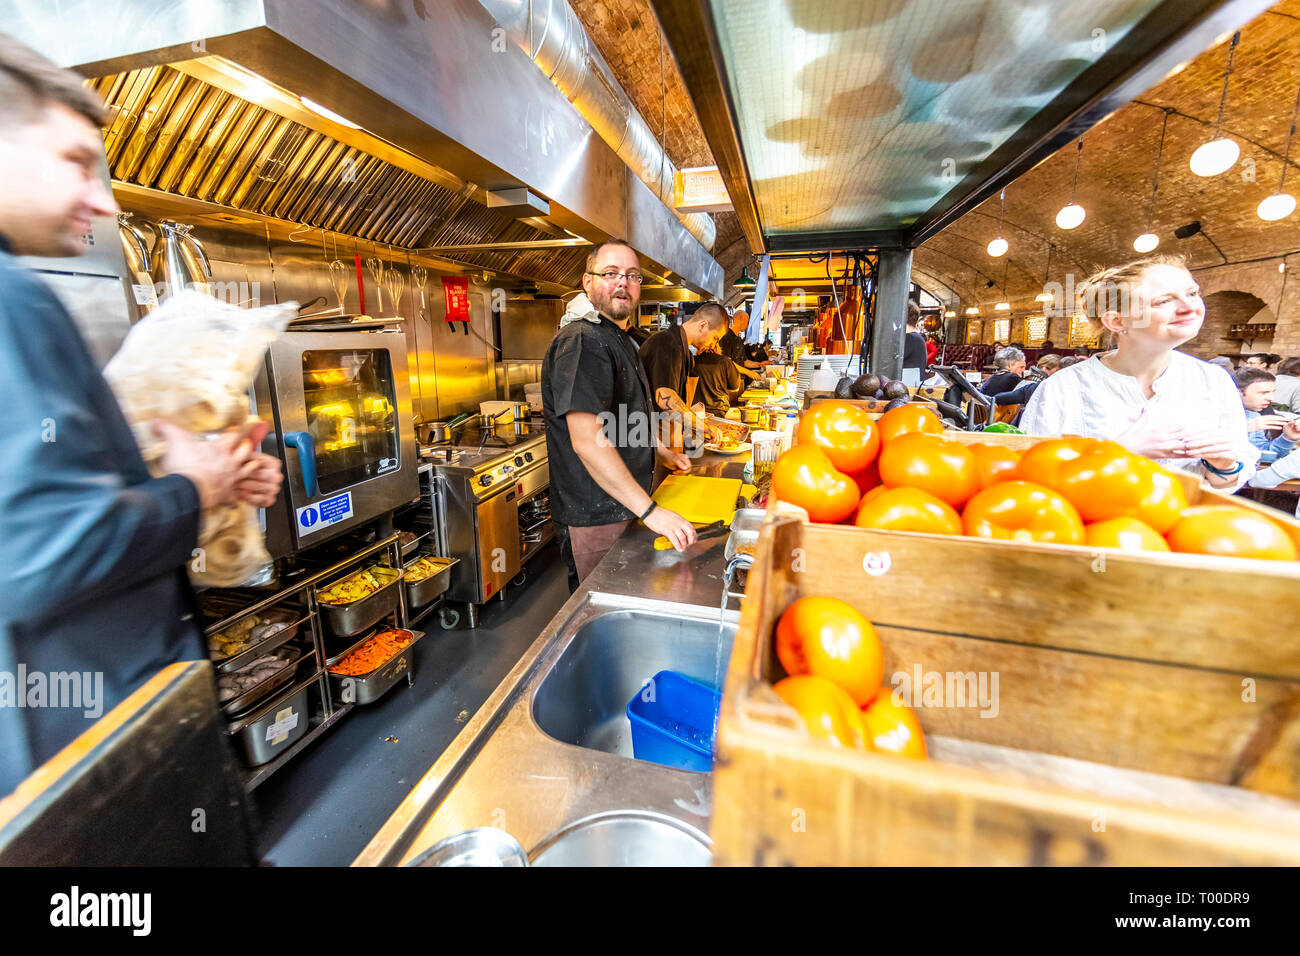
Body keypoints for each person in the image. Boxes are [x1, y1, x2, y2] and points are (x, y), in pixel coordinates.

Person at [0, 34, 282, 794]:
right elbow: (37, 554)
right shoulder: (13, 299)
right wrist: (192, 491)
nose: (102, 201)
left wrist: (206, 476)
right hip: (95, 750)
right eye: (73, 163)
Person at [1020, 254, 1257, 490]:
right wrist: (1120, 452)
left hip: (1185, 524)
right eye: (1164, 301)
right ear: (1117, 321)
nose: (1190, 308)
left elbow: (1226, 481)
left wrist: (1224, 465)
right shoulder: (1064, 387)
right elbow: (1031, 478)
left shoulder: (1214, 381)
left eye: (1192, 293)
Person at [541, 239, 697, 592]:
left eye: (631, 275)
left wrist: (661, 452)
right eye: (610, 273)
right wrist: (651, 511)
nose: (622, 282)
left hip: (623, 504)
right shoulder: (582, 341)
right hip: (596, 515)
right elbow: (587, 441)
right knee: (606, 613)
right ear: (587, 281)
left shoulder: (616, 337)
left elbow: (626, 417)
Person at [639, 301, 728, 415]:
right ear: (702, 325)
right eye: (715, 338)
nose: (714, 345)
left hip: (667, 427)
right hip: (646, 428)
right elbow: (665, 398)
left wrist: (694, 414)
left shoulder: (686, 354)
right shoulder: (667, 344)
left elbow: (679, 400)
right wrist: (702, 426)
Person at [1234, 367, 1300, 463]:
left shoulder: (1253, 415)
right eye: (1264, 393)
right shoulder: (1212, 413)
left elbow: (1263, 455)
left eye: (1273, 392)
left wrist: (1288, 438)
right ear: (1238, 392)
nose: (1271, 398)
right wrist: (1243, 429)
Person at [692, 341, 743, 417]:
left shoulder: (692, 361)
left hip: (696, 411)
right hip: (719, 410)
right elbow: (735, 388)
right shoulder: (725, 362)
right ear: (717, 346)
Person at [716, 309, 761, 382]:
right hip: (729, 381)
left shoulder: (739, 339)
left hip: (740, 379)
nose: (747, 325)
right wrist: (748, 372)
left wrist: (760, 365)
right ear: (741, 319)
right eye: (747, 321)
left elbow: (744, 361)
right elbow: (726, 363)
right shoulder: (726, 337)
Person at [902, 301, 927, 374]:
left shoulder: (910, 338)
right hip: (912, 382)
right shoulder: (917, 337)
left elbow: (888, 360)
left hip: (907, 383)